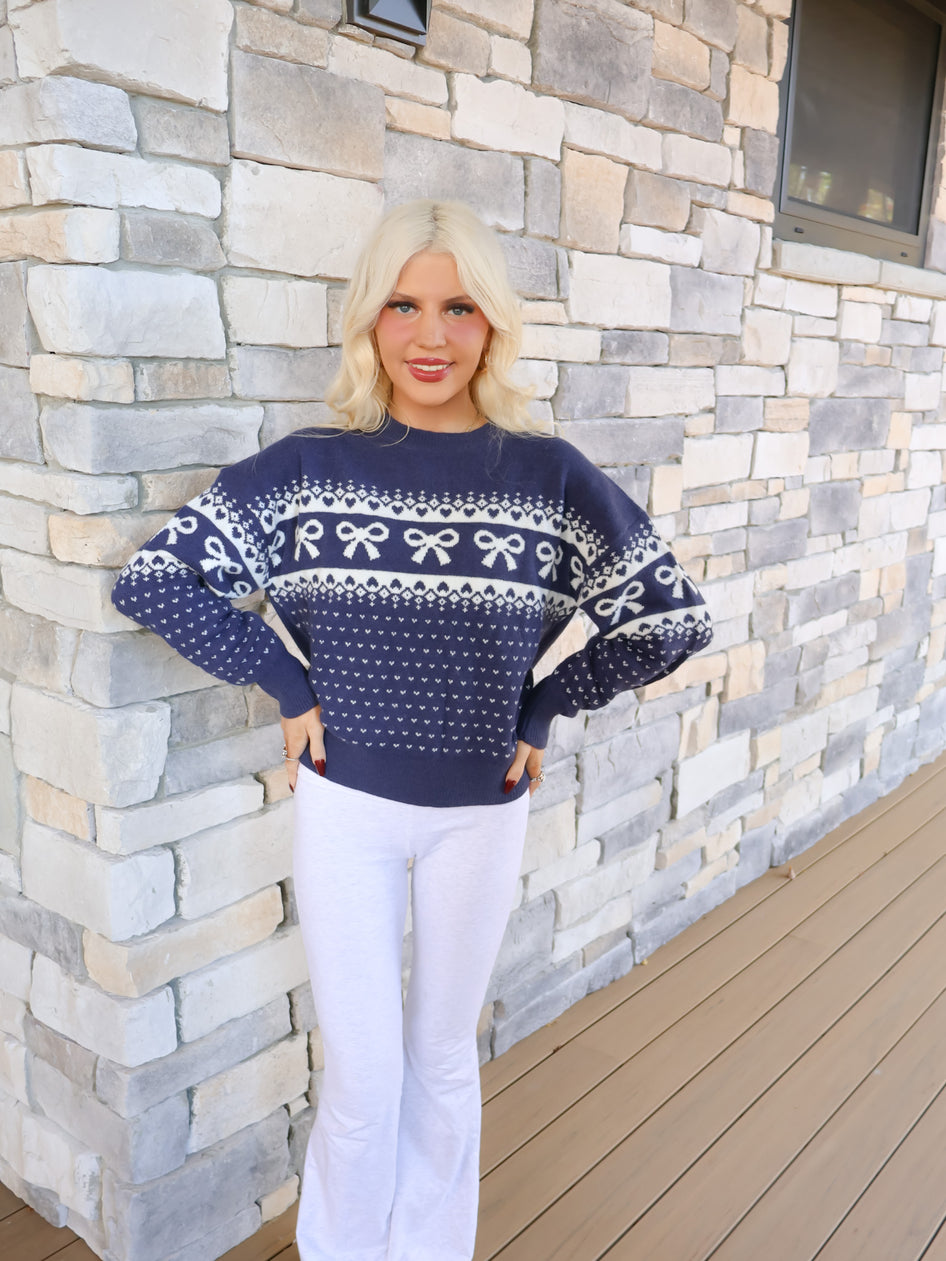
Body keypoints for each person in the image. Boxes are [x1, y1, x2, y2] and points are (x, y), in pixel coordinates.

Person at [111, 198, 713, 1261]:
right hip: (345, 813)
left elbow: (671, 620)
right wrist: (283, 682)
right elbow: (157, 580)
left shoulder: (550, 478)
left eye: (458, 307)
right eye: (402, 304)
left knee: (440, 1059)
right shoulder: (308, 470)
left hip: (480, 816)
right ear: (368, 321)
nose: (429, 335)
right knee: (362, 1072)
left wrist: (546, 700)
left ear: (492, 326)